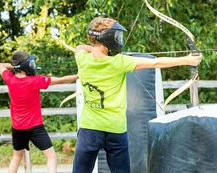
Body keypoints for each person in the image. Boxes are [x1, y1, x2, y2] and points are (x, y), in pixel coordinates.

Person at [72, 17, 202, 173]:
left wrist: (94, 49)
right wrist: (187, 60)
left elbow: (79, 47)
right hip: (115, 129)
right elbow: (155, 63)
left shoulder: (82, 59)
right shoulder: (119, 62)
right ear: (107, 37)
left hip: (89, 129)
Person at [0, 51, 78, 173]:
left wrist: (14, 66)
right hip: (35, 128)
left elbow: (0, 65)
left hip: (18, 128)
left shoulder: (10, 79)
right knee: (51, 156)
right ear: (25, 66)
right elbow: (61, 80)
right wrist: (77, 76)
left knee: (16, 157)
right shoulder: (35, 81)